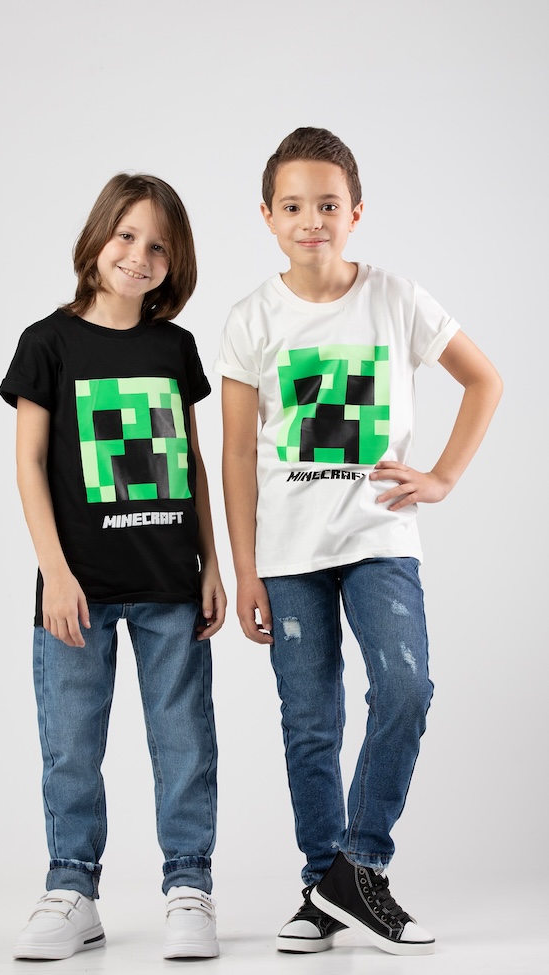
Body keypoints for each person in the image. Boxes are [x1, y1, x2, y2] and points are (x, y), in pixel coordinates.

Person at [216, 127, 502, 957]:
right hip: (288, 554)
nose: (312, 220)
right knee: (310, 720)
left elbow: (484, 378)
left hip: (380, 537)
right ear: (267, 216)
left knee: (406, 688)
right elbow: (235, 453)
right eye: (293, 206)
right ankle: (322, 886)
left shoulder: (396, 298)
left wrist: (442, 475)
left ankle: (359, 867)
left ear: (357, 212)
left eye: (328, 204)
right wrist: (244, 569)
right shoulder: (251, 318)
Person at [0, 172, 225, 961]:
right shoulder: (47, 342)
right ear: (97, 237)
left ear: (175, 260)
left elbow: (191, 460)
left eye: (159, 245)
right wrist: (54, 572)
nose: (139, 255)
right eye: (126, 235)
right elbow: (29, 464)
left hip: (169, 584)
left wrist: (211, 562)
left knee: (184, 741)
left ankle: (189, 886)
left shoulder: (174, 347)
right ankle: (72, 888)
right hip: (78, 590)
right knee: (70, 744)